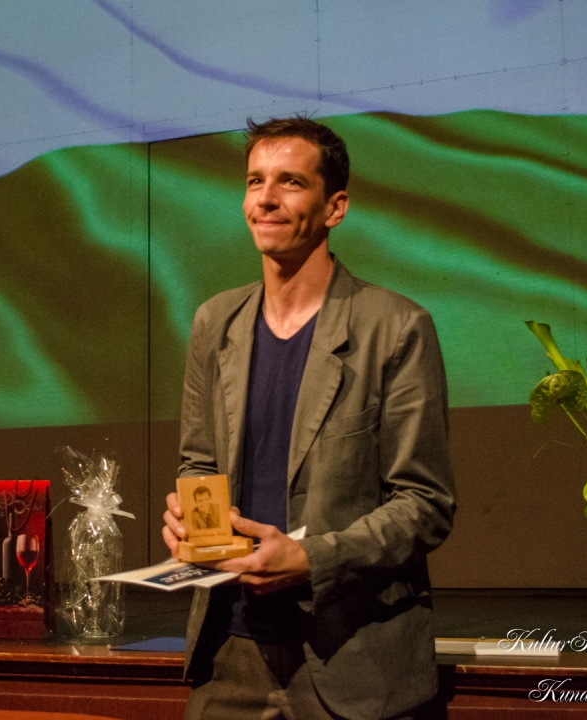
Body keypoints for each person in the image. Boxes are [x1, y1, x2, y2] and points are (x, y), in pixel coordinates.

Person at [162, 117, 456, 720]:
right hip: (229, 655)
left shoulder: (397, 328)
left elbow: (424, 504)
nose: (265, 198)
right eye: (255, 181)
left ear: (335, 207)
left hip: (352, 662)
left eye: (290, 182)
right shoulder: (214, 323)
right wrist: (189, 521)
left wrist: (310, 560)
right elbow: (199, 464)